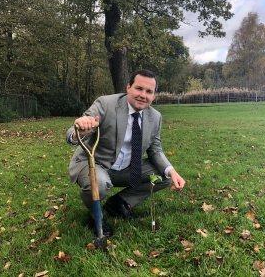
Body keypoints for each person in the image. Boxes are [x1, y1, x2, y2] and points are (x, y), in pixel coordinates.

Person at [65, 69, 185, 236]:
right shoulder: (106, 104)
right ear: (128, 87)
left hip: (126, 169)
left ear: (154, 96)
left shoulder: (155, 117)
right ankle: (94, 216)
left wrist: (173, 172)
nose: (143, 95)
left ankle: (118, 203)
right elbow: (72, 133)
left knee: (165, 176)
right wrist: (81, 129)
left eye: (149, 91)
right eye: (139, 88)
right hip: (95, 164)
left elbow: (155, 149)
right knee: (99, 182)